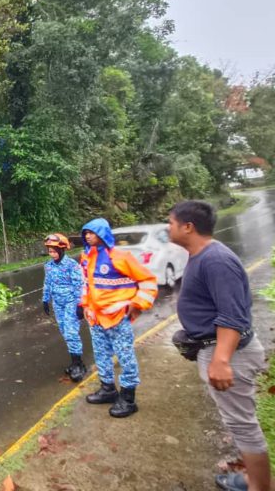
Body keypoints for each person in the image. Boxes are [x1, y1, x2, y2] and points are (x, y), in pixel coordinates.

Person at [168, 200, 270, 491]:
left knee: (242, 424)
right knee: (237, 420)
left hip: (231, 353)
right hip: (217, 347)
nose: (168, 227)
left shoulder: (215, 260)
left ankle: (260, 486)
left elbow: (233, 315)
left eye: (171, 222)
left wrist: (221, 359)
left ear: (188, 227)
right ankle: (252, 477)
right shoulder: (201, 255)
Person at [79, 218, 158, 418]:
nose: (87, 236)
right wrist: (83, 305)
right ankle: (108, 389)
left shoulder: (122, 257)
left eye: (91, 232)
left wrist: (137, 303)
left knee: (125, 357)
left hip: (117, 318)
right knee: (101, 356)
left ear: (102, 233)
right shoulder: (86, 257)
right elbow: (86, 284)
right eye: (85, 233)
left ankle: (128, 398)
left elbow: (148, 281)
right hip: (95, 318)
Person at [42, 233, 87, 382]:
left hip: (71, 303)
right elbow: (48, 283)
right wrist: (45, 300)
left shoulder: (72, 266)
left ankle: (78, 365)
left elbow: (79, 285)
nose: (51, 254)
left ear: (62, 250)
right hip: (58, 303)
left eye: (54, 251)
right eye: (50, 251)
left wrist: (80, 305)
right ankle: (75, 361)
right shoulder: (48, 266)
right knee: (64, 331)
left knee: (71, 333)